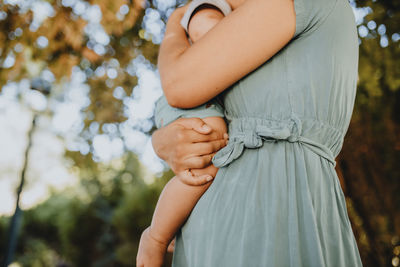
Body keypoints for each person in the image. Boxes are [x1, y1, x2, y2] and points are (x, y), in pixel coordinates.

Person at [148, 0, 364, 265]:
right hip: (218, 219)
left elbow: (178, 83)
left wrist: (176, 21)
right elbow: (203, 117)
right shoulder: (238, 22)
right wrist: (162, 141)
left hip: (272, 203)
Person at [136, 1, 235, 266]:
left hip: (192, 102)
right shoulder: (206, 10)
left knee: (204, 168)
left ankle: (175, 224)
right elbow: (199, 32)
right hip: (192, 101)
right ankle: (156, 235)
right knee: (209, 159)